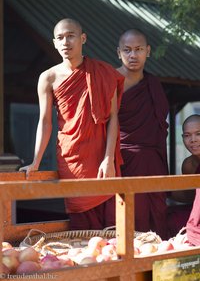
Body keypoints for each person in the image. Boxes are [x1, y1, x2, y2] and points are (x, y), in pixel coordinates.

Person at [19, 18, 124, 230]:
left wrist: (108, 158)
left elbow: (113, 117)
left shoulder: (103, 72)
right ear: (54, 43)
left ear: (82, 38)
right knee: (82, 226)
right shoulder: (48, 77)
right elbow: (45, 122)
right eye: (60, 38)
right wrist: (35, 162)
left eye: (71, 36)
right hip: (71, 157)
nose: (65, 42)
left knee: (111, 228)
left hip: (100, 155)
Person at [116, 28, 169, 239]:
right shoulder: (110, 80)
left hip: (153, 160)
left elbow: (159, 126)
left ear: (148, 51)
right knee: (128, 215)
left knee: (157, 216)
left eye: (138, 49)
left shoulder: (153, 83)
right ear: (118, 52)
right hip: (123, 159)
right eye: (127, 50)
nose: (133, 55)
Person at [178, 114, 200, 245]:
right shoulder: (188, 164)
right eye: (187, 135)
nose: (193, 140)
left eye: (198, 134)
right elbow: (190, 197)